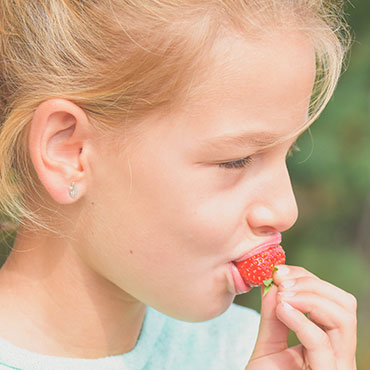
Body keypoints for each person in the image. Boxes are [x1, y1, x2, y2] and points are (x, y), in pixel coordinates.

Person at [0, 1, 357, 369]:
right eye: (235, 160)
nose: (286, 210)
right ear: (70, 152)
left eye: (289, 152)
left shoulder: (254, 350)